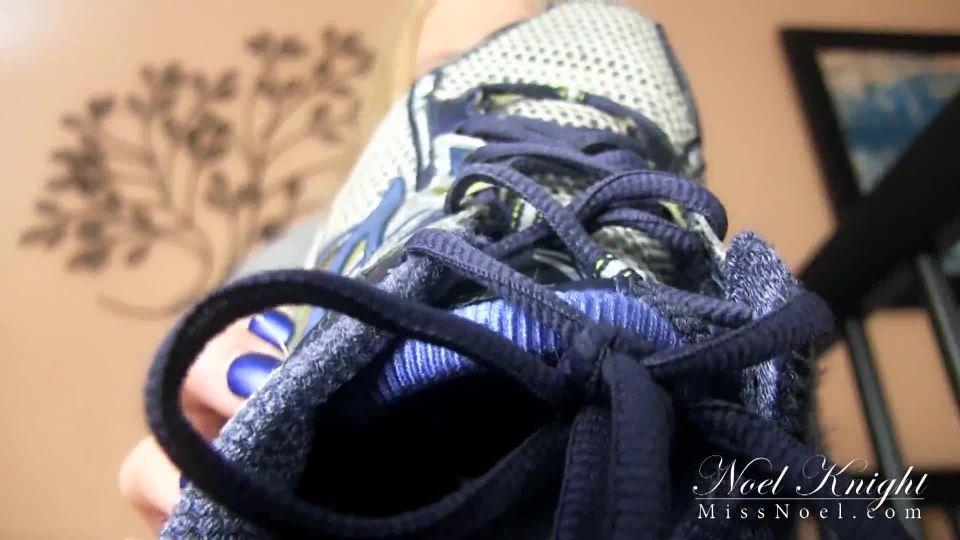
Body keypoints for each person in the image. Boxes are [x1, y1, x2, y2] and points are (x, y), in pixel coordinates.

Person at [119, 0, 541, 532]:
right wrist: (211, 465)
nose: (495, 102)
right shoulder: (286, 269)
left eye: (531, 69)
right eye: (450, 73)